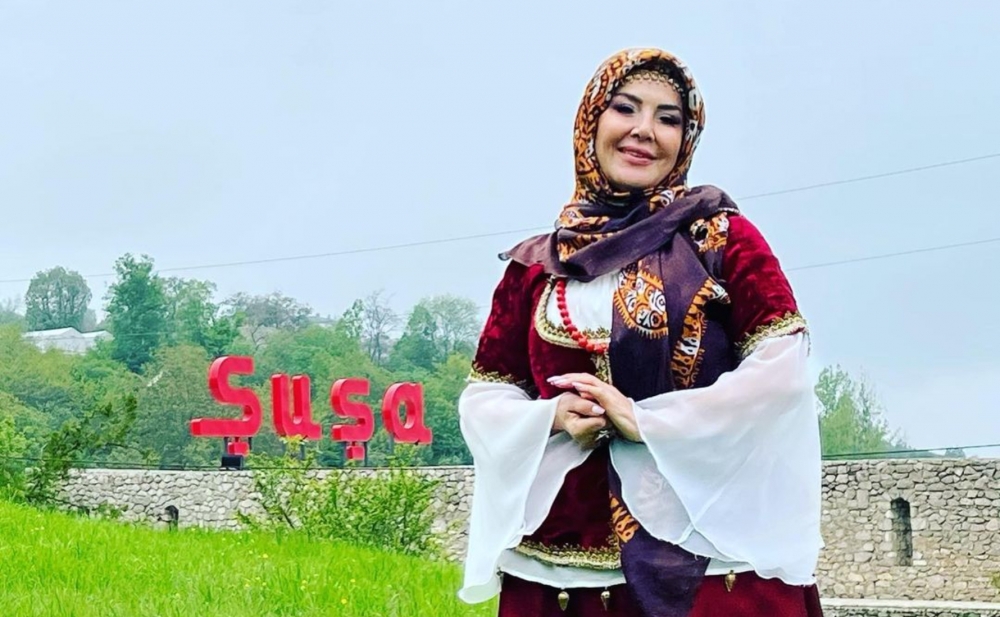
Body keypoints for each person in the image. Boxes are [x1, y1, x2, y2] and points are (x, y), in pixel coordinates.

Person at [457, 47, 824, 617]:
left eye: (668, 118)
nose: (644, 131)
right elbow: (486, 396)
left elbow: (783, 374)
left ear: (686, 137)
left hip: (711, 561)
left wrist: (646, 422)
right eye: (625, 108)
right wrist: (552, 417)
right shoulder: (536, 267)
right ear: (591, 121)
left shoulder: (720, 239)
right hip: (559, 569)